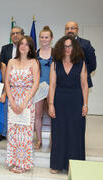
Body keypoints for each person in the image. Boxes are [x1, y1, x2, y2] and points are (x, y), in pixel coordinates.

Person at [49, 36, 88, 173]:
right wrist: (51, 104)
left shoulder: (81, 63)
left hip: (76, 101)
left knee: (75, 132)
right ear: (60, 47)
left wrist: (85, 104)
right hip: (59, 101)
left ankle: (74, 166)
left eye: (70, 46)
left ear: (75, 48)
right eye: (65, 46)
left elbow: (84, 85)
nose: (67, 49)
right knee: (59, 132)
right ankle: (57, 164)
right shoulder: (55, 63)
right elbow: (52, 85)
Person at [5, 36, 40, 173]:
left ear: (30, 47)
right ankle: (13, 160)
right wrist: (12, 101)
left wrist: (25, 102)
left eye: (27, 44)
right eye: (21, 44)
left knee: (25, 133)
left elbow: (35, 83)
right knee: (13, 132)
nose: (23, 46)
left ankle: (23, 163)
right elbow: (7, 82)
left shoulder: (34, 62)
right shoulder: (11, 61)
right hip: (12, 100)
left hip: (27, 101)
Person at [0, 26, 24, 141]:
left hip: (23, 85)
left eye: (18, 33)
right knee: (6, 108)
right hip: (8, 83)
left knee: (21, 109)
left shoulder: (27, 48)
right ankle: (4, 132)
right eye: (13, 33)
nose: (15, 35)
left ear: (22, 35)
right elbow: (2, 66)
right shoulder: (5, 48)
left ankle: (19, 132)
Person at [34, 26, 53, 149]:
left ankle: (53, 140)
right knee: (37, 114)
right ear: (39, 38)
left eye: (46, 37)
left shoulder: (57, 52)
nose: (44, 39)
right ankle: (39, 140)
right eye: (42, 37)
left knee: (53, 114)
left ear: (51, 38)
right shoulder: (35, 53)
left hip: (53, 86)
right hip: (39, 86)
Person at [65, 21, 96, 88]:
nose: (69, 30)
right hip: (64, 82)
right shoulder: (61, 44)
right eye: (67, 28)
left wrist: (83, 73)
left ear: (77, 30)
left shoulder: (86, 44)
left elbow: (92, 64)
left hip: (82, 82)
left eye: (72, 28)